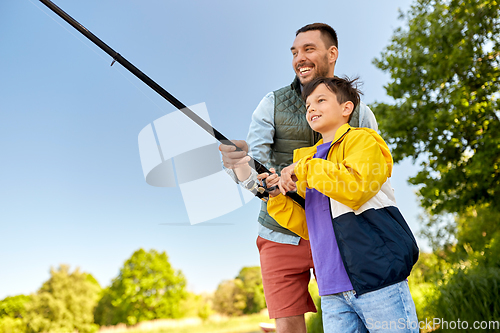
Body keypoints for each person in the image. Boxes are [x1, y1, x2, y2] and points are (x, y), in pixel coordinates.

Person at [219, 23, 378, 332]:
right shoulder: (273, 103)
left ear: (332, 54)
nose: (299, 58)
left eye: (308, 49)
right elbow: (255, 176)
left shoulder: (359, 113)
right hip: (279, 231)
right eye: (294, 52)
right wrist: (239, 166)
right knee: (287, 327)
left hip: (340, 233)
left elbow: (370, 176)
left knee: (355, 320)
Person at [264, 76, 420, 333]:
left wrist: (304, 167)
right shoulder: (310, 162)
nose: (311, 108)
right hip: (332, 291)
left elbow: (355, 187)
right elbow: (311, 226)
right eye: (307, 106)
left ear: (346, 108)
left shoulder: (364, 142)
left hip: (377, 280)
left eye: (320, 100)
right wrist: (277, 198)